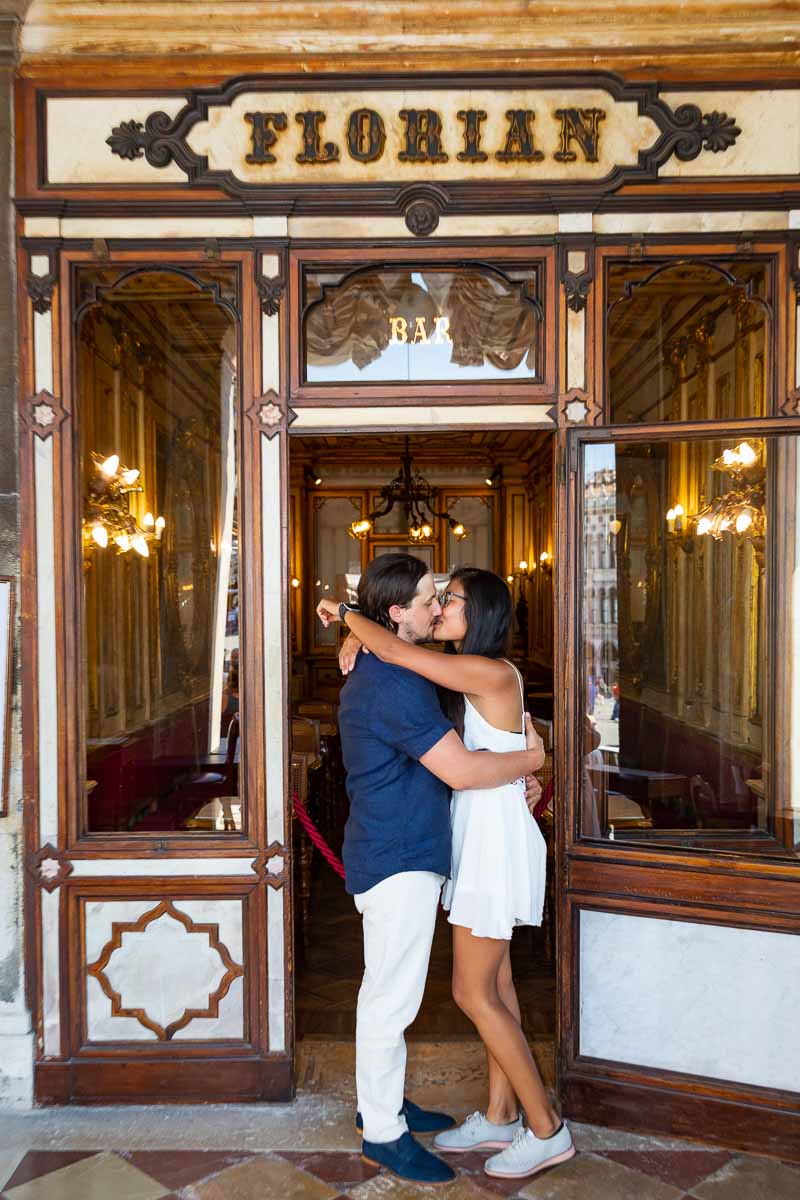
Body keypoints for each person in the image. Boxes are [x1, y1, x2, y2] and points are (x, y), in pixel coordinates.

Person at [319, 565, 575, 1183]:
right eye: (433, 600)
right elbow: (463, 764)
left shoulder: (465, 671)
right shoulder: (406, 674)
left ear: (478, 612)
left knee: (474, 991)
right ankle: (457, 1120)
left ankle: (540, 1128)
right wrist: (529, 759)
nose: (438, 608)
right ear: (400, 614)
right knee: (451, 990)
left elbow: (395, 649)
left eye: (449, 599)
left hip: (481, 841)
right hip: (429, 845)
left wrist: (352, 621)